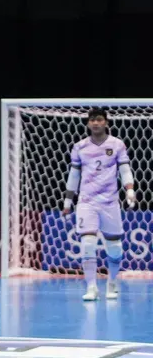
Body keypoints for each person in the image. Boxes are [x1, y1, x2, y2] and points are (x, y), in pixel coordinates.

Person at [63, 108, 135, 301]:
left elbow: (125, 169)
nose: (96, 123)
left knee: (115, 248)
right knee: (87, 243)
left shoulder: (117, 145)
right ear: (88, 123)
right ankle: (91, 287)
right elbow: (74, 174)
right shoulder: (80, 147)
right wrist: (68, 201)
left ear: (106, 123)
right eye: (92, 120)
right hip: (87, 202)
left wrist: (130, 190)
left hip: (110, 202)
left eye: (100, 120)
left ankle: (112, 282)